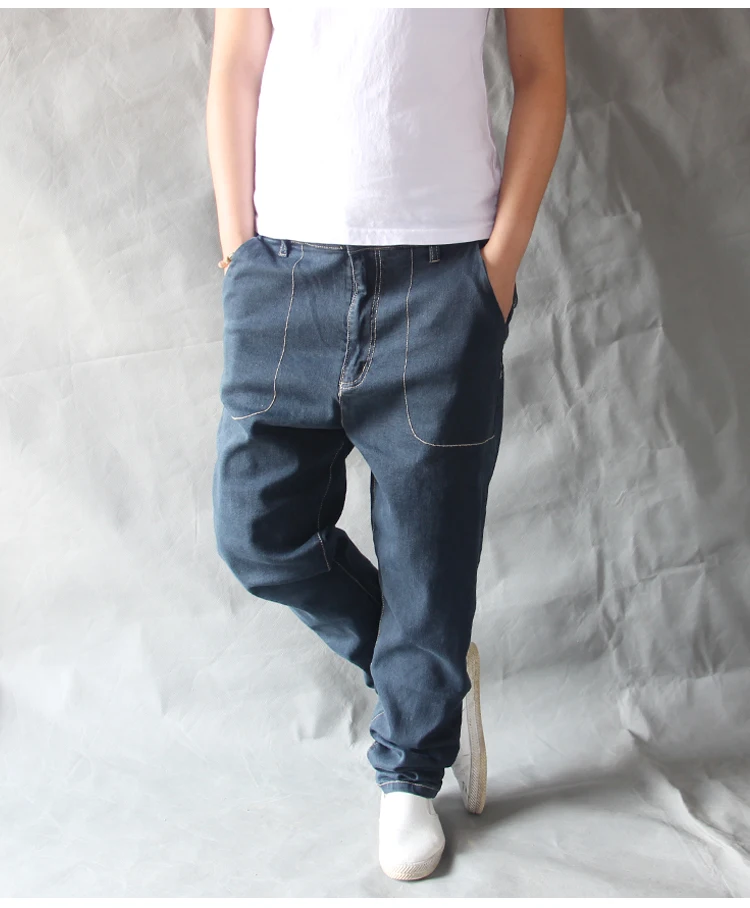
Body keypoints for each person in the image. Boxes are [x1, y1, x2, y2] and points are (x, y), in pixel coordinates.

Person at [206, 7, 566, 882]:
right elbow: (237, 62)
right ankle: (427, 672)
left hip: (442, 274)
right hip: (286, 269)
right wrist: (237, 249)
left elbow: (541, 73)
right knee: (258, 529)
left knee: (429, 559)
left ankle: (410, 769)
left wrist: (497, 270)